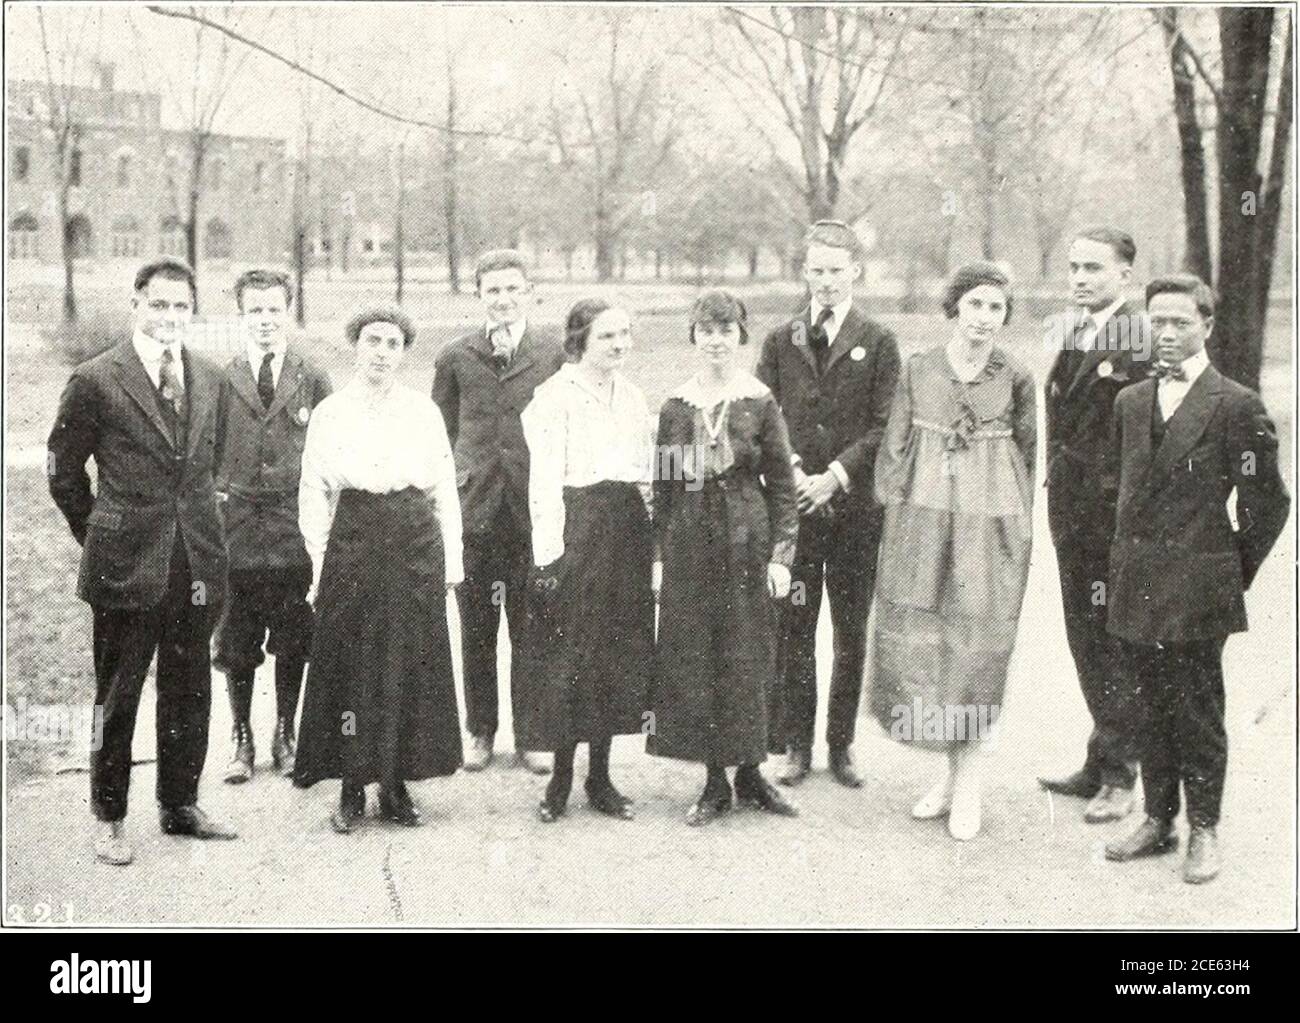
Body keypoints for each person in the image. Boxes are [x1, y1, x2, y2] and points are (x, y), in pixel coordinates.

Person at [48, 258, 236, 866]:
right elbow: (63, 472)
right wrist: (101, 536)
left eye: (181, 306)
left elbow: (214, 466)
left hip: (197, 564)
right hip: (125, 565)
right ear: (136, 304)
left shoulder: (209, 376)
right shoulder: (96, 378)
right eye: (159, 305)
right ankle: (109, 816)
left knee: (190, 688)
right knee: (118, 694)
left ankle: (179, 804)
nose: (170, 317)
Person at [1104, 275, 1288, 884]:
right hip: (1137, 581)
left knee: (1197, 709)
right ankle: (1159, 818)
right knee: (1147, 704)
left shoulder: (1235, 404)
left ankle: (1204, 828)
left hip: (1199, 586)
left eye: (1181, 321)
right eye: (1157, 320)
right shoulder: (1130, 402)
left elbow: (1269, 503)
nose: (1167, 332)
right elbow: (1121, 489)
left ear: (1207, 327)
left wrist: (1228, 569)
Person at [868, 263, 1035, 841]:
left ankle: (969, 783)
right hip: (924, 518)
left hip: (988, 524)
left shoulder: (1015, 375)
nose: (985, 318)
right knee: (933, 647)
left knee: (977, 644)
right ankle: (948, 775)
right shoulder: (919, 370)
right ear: (955, 308)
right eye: (975, 306)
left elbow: (1028, 454)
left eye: (996, 308)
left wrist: (1014, 528)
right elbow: (894, 448)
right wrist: (896, 519)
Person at [293, 308, 463, 832]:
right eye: (372, 340)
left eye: (392, 343)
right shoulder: (330, 413)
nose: (382, 351)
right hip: (355, 537)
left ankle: (395, 782)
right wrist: (322, 563)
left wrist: (451, 560)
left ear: (404, 352)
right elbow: (315, 493)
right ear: (355, 346)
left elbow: (443, 489)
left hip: (413, 539)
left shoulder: (423, 412)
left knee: (407, 660)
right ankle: (350, 785)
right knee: (352, 661)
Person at [756, 220, 901, 788]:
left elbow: (885, 425)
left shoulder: (880, 339)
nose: (825, 281)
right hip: (795, 510)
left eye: (836, 270)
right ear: (804, 272)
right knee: (795, 626)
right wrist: (793, 473)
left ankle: (840, 746)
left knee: (849, 631)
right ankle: (796, 745)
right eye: (816, 270)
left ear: (855, 273)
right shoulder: (780, 340)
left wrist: (835, 476)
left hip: (856, 511)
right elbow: (764, 415)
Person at [648, 291, 800, 825]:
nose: (716, 340)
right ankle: (715, 781)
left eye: (727, 330)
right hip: (690, 543)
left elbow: (782, 485)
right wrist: (659, 558)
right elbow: (665, 489)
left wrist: (781, 557)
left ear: (741, 337)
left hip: (746, 540)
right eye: (706, 330)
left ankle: (752, 773)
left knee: (749, 653)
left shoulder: (759, 402)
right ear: (693, 336)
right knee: (698, 656)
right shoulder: (675, 407)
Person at [518, 299, 655, 823]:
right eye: (607, 337)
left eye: (625, 335)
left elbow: (645, 476)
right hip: (579, 527)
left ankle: (600, 776)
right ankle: (560, 778)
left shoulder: (633, 395)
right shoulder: (554, 397)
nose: (619, 345)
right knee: (570, 654)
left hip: (626, 532)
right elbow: (544, 482)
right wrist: (549, 555)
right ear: (580, 340)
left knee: (614, 652)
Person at [432, 250, 564, 775]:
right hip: (475, 511)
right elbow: (439, 436)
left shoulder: (552, 354)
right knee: (476, 626)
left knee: (533, 626)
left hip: (531, 510)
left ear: (528, 291)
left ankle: (533, 734)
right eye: (493, 291)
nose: (503, 300)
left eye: (512, 289)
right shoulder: (456, 357)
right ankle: (480, 731)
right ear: (479, 295)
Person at [1039, 227, 1152, 824]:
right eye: (1075, 267)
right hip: (1072, 513)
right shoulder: (1074, 330)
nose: (1080, 278)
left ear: (1124, 276)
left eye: (1094, 269)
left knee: (1115, 642)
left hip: (1112, 520)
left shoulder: (1138, 340)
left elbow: (1145, 442)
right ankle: (1099, 759)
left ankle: (1121, 776)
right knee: (1085, 637)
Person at [214, 269, 332, 784]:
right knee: (237, 638)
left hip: (292, 528)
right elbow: (209, 449)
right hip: (237, 530)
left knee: (292, 634)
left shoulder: (311, 376)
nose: (265, 320)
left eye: (274, 310)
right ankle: (242, 736)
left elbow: (330, 449)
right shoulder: (222, 378)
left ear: (288, 312)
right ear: (241, 315)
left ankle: (286, 730)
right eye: (254, 310)